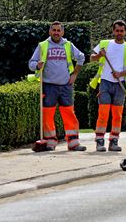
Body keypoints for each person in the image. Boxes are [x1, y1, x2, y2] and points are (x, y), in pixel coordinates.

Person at [29, 21, 86, 151]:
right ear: (50, 31)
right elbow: (31, 63)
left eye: (58, 30)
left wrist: (75, 74)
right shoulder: (43, 45)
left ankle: (73, 143)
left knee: (69, 114)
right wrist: (37, 65)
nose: (56, 32)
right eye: (53, 30)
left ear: (62, 32)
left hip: (66, 85)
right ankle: (50, 142)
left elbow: (81, 57)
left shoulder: (68, 45)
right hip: (48, 85)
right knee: (48, 115)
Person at [90, 20, 126, 152]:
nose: (119, 33)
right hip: (105, 83)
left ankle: (114, 141)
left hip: (120, 84)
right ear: (113, 31)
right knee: (103, 113)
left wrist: (121, 73)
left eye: (121, 31)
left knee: (117, 114)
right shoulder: (104, 44)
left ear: (125, 32)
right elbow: (92, 58)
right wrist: (99, 55)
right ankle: (100, 141)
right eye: (117, 30)